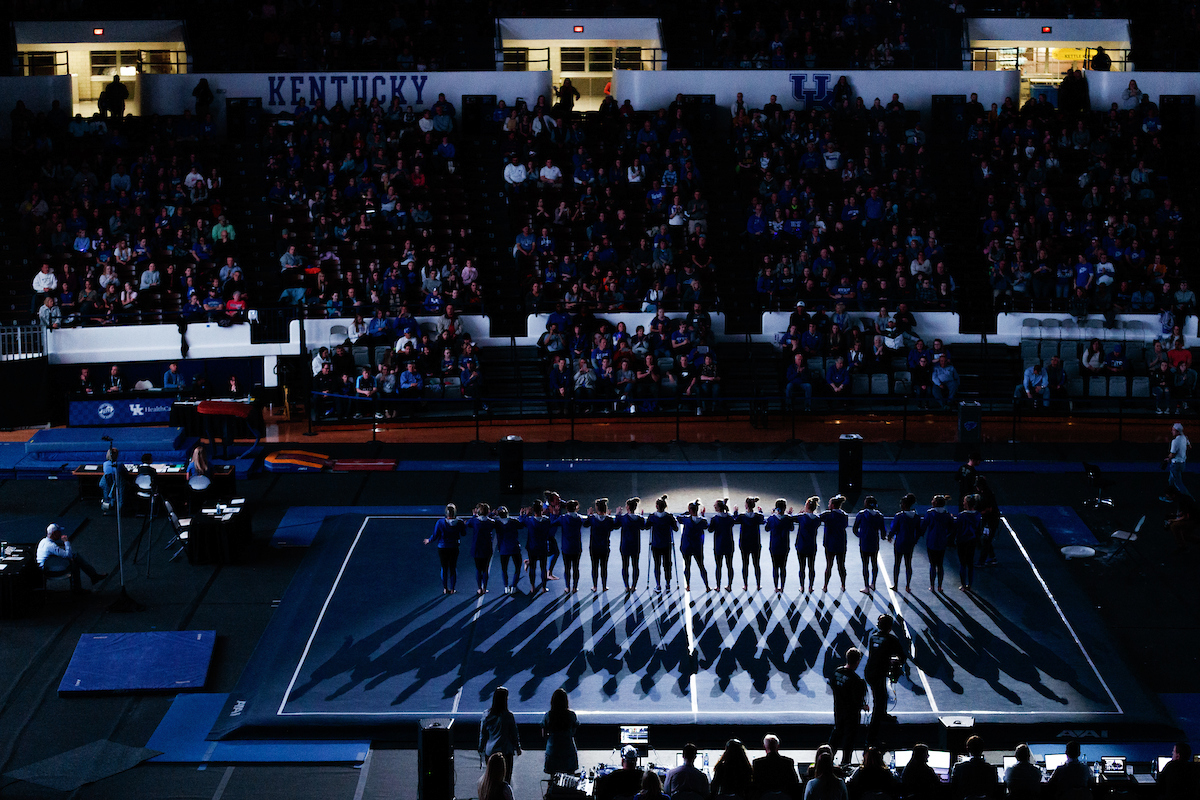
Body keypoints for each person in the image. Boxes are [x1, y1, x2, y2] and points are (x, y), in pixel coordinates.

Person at [864, 614, 906, 748]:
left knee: (881, 694)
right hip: (878, 673)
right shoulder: (891, 639)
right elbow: (902, 656)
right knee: (879, 701)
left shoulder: (873, 637)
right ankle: (871, 738)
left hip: (870, 671)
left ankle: (883, 714)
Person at [36, 523, 106, 592]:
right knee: (75, 560)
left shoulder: (43, 541)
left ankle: (90, 579)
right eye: (59, 532)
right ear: (54, 533)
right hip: (49, 569)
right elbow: (68, 555)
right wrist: (66, 542)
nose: (60, 533)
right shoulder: (51, 546)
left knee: (74, 559)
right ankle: (88, 581)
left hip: (46, 566)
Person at [829, 647, 868, 768]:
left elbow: (833, 685)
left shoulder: (837, 672)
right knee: (849, 739)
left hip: (839, 709)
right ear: (857, 662)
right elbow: (857, 701)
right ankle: (845, 762)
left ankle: (827, 757)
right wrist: (863, 706)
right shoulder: (857, 681)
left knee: (836, 734)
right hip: (851, 714)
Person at [479, 687, 521, 783]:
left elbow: (483, 734)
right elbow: (514, 734)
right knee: (505, 781)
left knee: (492, 780)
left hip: (490, 752)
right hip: (505, 752)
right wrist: (517, 747)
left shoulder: (486, 715)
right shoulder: (508, 716)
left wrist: (481, 748)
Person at [424, 504, 464, 594]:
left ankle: (445, 588)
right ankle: (453, 588)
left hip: (442, 548)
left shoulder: (440, 522)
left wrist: (429, 540)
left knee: (444, 568)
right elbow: (464, 533)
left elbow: (435, 535)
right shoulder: (459, 522)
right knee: (453, 567)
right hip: (454, 547)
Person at [541, 688, 579, 776]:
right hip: (568, 750)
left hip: (553, 750)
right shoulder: (571, 715)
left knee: (553, 779)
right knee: (570, 779)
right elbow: (574, 731)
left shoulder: (548, 716)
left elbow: (543, 734)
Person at [752, 734, 802, 799]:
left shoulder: (758, 763)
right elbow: (794, 781)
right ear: (778, 746)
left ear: (764, 747)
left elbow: (756, 783)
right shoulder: (787, 762)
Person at [583, 498, 617, 592]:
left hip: (594, 546)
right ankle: (604, 586)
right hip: (604, 546)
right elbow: (612, 527)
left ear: (596, 508)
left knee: (594, 567)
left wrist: (588, 515)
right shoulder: (609, 519)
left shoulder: (592, 518)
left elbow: (585, 524)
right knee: (604, 567)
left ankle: (595, 586)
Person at [922, 495, 954, 591]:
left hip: (932, 541)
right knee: (940, 564)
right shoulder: (947, 515)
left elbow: (923, 526)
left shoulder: (930, 513)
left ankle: (932, 586)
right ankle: (940, 586)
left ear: (935, 503)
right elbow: (952, 528)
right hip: (941, 542)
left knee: (932, 564)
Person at [888, 494, 920, 592]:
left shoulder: (899, 516)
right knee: (908, 564)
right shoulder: (916, 517)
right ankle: (907, 585)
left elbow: (894, 528)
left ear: (904, 504)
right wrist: (915, 541)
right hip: (910, 543)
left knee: (897, 564)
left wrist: (890, 536)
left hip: (900, 542)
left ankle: (896, 585)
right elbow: (918, 531)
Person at [853, 497, 885, 594]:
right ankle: (873, 584)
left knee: (865, 564)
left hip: (864, 543)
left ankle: (866, 587)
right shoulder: (879, 515)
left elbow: (855, 528)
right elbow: (883, 530)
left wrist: (861, 536)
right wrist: (884, 537)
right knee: (874, 563)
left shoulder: (861, 514)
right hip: (874, 542)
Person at [678, 500, 711, 592]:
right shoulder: (702, 521)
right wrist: (702, 515)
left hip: (687, 547)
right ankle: (707, 586)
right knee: (701, 566)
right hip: (697, 547)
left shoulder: (686, 520)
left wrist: (686, 512)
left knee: (687, 566)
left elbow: (678, 518)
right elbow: (706, 526)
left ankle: (688, 585)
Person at [615, 497, 646, 593]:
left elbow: (615, 525)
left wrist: (617, 514)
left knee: (625, 566)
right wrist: (642, 516)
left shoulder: (623, 518)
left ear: (628, 507)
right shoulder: (639, 519)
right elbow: (643, 527)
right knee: (635, 565)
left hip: (625, 545)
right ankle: (634, 586)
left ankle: (627, 586)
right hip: (635, 545)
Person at [820, 495, 850, 593]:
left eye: (829, 503)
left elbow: (816, 519)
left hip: (830, 544)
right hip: (841, 543)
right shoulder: (844, 515)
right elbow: (845, 526)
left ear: (832, 505)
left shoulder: (827, 515)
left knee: (829, 565)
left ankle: (825, 586)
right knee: (841, 565)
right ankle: (843, 585)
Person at [648, 495, 678, 592]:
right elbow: (676, 528)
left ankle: (658, 585)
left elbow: (646, 527)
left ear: (657, 506)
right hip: (666, 544)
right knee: (667, 564)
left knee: (657, 565)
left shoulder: (652, 517)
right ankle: (668, 584)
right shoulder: (669, 517)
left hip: (656, 544)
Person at [736, 496, 765, 591]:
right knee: (756, 564)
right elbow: (763, 520)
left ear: (746, 505)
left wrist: (735, 511)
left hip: (744, 543)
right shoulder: (757, 516)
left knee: (745, 564)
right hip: (755, 543)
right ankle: (758, 584)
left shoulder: (742, 517)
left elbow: (734, 520)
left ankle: (745, 585)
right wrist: (761, 512)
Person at [955, 495, 982, 591]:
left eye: (964, 501)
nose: (963, 503)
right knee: (970, 563)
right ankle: (970, 584)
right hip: (972, 541)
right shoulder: (978, 515)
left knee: (963, 563)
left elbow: (956, 527)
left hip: (962, 541)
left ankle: (963, 584)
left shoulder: (962, 515)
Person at [709, 498, 737, 591]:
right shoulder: (729, 518)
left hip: (719, 545)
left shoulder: (715, 519)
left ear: (718, 508)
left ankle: (718, 586)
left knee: (718, 566)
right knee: (729, 565)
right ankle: (730, 585)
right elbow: (733, 521)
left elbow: (710, 530)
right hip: (729, 544)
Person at [494, 508, 523, 595]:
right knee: (517, 567)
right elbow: (521, 525)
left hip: (503, 549)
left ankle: (506, 587)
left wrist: (492, 514)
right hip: (514, 547)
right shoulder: (513, 521)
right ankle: (514, 586)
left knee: (504, 568)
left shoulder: (497, 523)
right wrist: (521, 515)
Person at [1162, 422, 1192, 501]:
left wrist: (1168, 458)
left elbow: (1172, 454)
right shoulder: (1185, 438)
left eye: (1173, 430)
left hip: (1176, 464)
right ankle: (1169, 496)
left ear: (1178, 431)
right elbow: (1189, 447)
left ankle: (1190, 499)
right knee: (1171, 481)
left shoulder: (1175, 441)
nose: (1172, 432)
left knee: (1178, 484)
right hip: (1182, 463)